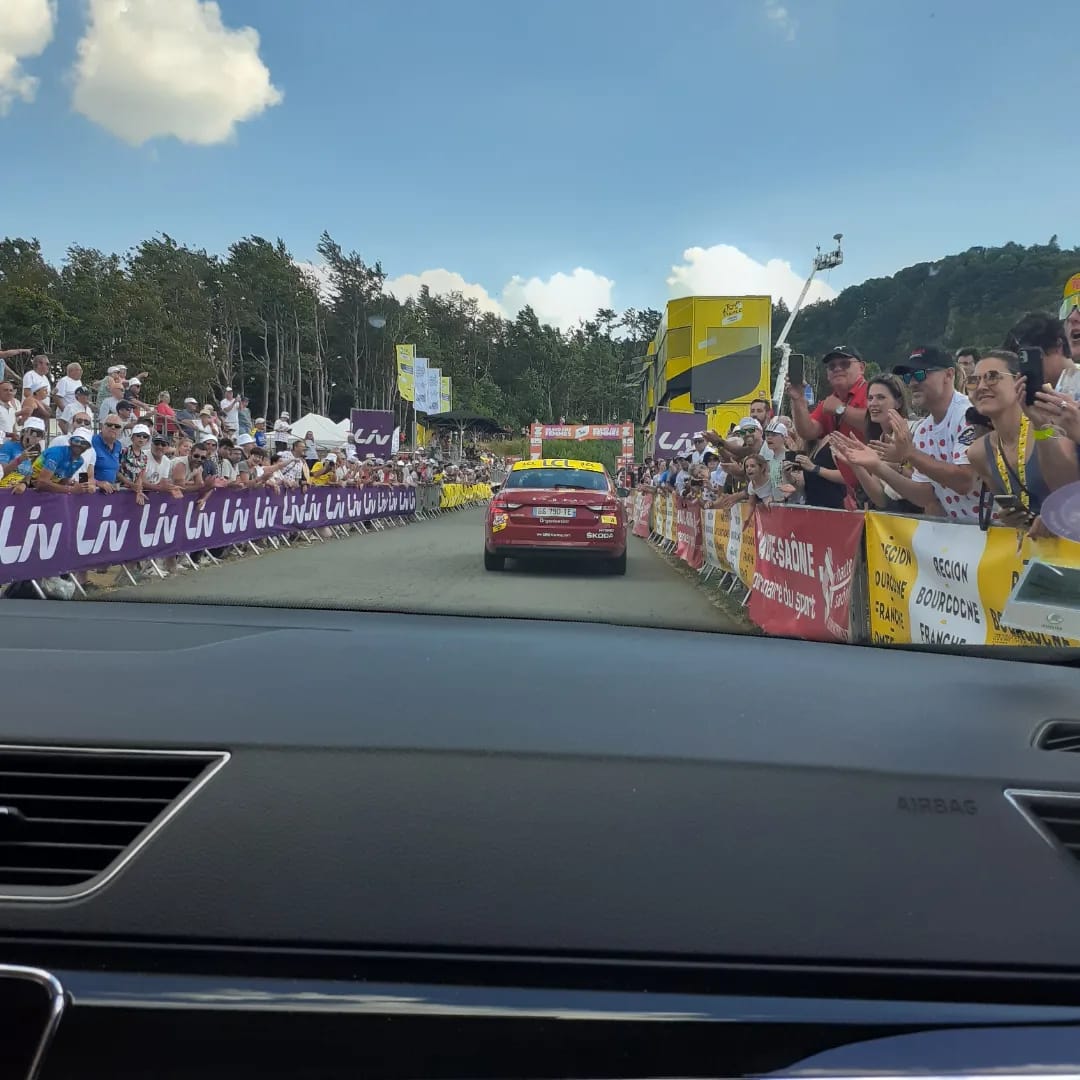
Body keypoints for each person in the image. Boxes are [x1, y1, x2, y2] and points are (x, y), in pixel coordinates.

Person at [870, 345, 982, 522]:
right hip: (963, 535)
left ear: (949, 375)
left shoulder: (968, 414)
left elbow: (964, 482)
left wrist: (910, 454)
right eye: (908, 376)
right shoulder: (923, 429)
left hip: (997, 534)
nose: (913, 382)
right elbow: (925, 496)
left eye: (921, 373)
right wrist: (876, 466)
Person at [963, 350, 1075, 526]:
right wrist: (1010, 518)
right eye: (973, 380)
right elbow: (1016, 515)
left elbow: (1072, 494)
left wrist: (1054, 519)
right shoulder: (978, 453)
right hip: (1035, 550)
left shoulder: (1054, 427)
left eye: (992, 377)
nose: (981, 386)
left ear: (1019, 380)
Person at [830, 374, 932, 515]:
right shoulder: (878, 440)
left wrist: (896, 466)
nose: (873, 403)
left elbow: (928, 486)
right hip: (893, 522)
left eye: (881, 397)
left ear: (898, 402)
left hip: (921, 517)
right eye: (870, 398)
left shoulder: (916, 431)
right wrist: (856, 465)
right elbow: (881, 499)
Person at [787, 345, 869, 443]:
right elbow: (808, 432)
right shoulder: (830, 402)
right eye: (832, 366)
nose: (837, 369)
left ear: (861, 368)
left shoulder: (873, 392)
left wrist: (840, 409)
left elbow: (879, 423)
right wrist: (798, 400)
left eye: (844, 364)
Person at [30, 428, 94, 493]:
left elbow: (62, 481)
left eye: (84, 443)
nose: (79, 445)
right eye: (76, 441)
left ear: (88, 447)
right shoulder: (57, 452)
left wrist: (82, 486)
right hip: (30, 484)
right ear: (70, 441)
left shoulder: (81, 460)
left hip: (49, 487)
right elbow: (41, 483)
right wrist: (72, 489)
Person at [0, 417, 46, 490]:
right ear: (24, 432)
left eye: (40, 434)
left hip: (17, 494)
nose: (36, 437)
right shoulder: (9, 446)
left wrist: (24, 483)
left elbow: (29, 477)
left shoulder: (36, 452)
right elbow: (1, 473)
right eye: (33, 432)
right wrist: (20, 459)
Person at [90, 414, 124, 493]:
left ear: (120, 430)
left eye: (117, 426)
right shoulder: (91, 441)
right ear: (102, 426)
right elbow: (80, 470)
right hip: (90, 493)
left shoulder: (118, 445)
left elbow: (114, 470)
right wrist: (97, 483)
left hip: (108, 495)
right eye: (109, 425)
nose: (113, 427)